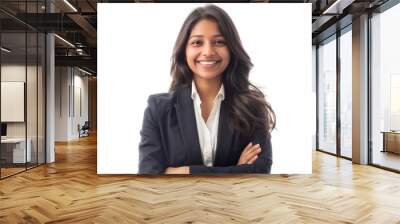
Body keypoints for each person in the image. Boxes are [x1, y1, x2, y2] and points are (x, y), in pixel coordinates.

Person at [138, 4, 275, 174]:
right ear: (184, 50)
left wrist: (185, 171)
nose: (208, 51)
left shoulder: (252, 106)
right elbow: (148, 176)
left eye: (219, 42)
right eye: (197, 42)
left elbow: (260, 170)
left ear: (231, 49)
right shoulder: (158, 109)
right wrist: (236, 170)